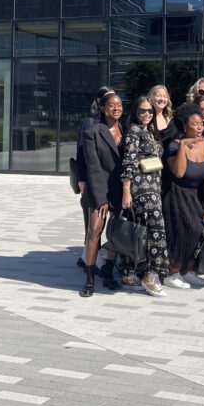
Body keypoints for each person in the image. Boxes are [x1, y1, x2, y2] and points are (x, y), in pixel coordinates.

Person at [163, 103, 204, 289]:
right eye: (194, 124)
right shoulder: (173, 145)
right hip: (176, 195)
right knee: (185, 232)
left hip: (195, 196)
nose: (200, 127)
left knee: (199, 232)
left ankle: (187, 270)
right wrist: (182, 147)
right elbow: (178, 172)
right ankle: (173, 273)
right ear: (184, 126)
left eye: (201, 123)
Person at [120, 97, 170, 297]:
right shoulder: (134, 131)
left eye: (150, 111)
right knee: (155, 229)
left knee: (141, 231)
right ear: (135, 112)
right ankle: (150, 275)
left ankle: (131, 273)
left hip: (154, 188)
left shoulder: (149, 131)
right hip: (142, 189)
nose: (147, 114)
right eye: (142, 111)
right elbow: (129, 160)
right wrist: (126, 189)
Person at [80, 92, 125, 297]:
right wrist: (101, 199)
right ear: (103, 108)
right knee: (94, 231)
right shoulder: (92, 132)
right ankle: (89, 278)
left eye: (119, 105)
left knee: (115, 234)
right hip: (99, 189)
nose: (116, 108)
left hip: (120, 190)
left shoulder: (126, 130)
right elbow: (93, 167)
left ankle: (108, 270)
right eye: (112, 105)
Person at [74, 85, 115, 269]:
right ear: (100, 103)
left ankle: (86, 256)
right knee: (93, 222)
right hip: (92, 180)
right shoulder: (90, 123)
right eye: (108, 99)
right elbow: (82, 153)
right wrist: (81, 179)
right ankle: (90, 257)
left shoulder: (114, 123)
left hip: (110, 179)